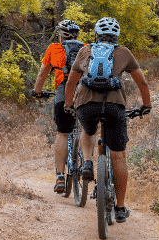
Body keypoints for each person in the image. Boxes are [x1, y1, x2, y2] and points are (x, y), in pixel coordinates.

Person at [63, 17, 151, 223]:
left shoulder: (85, 51)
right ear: (117, 36)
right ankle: (120, 208)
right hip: (114, 106)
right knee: (119, 156)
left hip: (87, 104)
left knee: (88, 130)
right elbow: (142, 82)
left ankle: (87, 162)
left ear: (96, 34)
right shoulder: (124, 53)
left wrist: (69, 104)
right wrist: (146, 106)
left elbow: (71, 83)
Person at [32, 20, 84, 194]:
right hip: (84, 94)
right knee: (86, 131)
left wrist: (37, 92)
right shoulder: (85, 48)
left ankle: (60, 176)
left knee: (63, 132)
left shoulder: (54, 48)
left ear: (61, 36)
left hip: (62, 93)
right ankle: (87, 166)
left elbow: (42, 73)